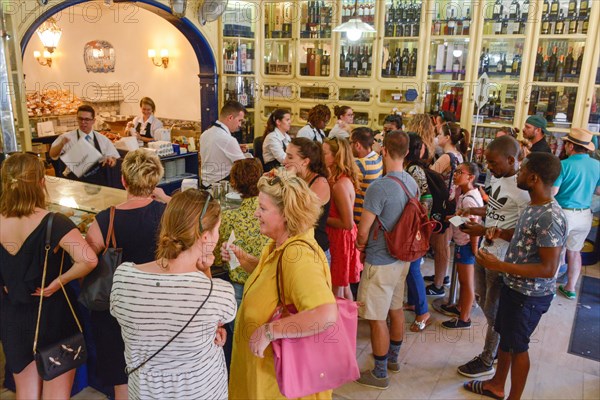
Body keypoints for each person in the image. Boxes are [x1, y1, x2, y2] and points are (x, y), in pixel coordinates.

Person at [110, 190, 236, 400]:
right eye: (217, 230)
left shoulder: (123, 277)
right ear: (205, 237)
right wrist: (205, 271)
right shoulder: (217, 292)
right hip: (200, 391)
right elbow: (216, 317)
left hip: (145, 391)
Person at [226, 170, 338, 399]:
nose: (256, 213)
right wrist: (245, 260)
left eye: (263, 209)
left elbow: (325, 314)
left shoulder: (297, 255)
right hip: (265, 379)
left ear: (287, 214)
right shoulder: (279, 244)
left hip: (278, 387)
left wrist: (269, 331)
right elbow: (274, 281)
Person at [465, 152, 567, 400]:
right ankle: (497, 384)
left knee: (518, 346)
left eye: (522, 171)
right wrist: (492, 231)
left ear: (533, 178)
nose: (518, 173)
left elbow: (548, 269)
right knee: (506, 340)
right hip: (514, 287)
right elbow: (522, 238)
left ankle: (514, 396)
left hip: (529, 295)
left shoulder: (549, 216)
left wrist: (499, 266)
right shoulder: (533, 205)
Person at [0, 153, 97, 399]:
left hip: (13, 317)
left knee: (26, 391)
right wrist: (60, 281)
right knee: (57, 392)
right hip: (53, 315)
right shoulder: (55, 223)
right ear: (41, 183)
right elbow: (88, 259)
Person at [85, 149, 167, 399]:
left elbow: (86, 259)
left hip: (116, 308)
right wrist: (166, 199)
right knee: (157, 371)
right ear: (155, 180)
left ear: (123, 180)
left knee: (121, 376)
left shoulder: (105, 219)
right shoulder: (168, 215)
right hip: (158, 305)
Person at [456, 135, 530, 378]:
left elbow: (522, 233)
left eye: (493, 163)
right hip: (487, 253)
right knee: (488, 307)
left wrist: (483, 230)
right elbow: (495, 208)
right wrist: (472, 210)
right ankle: (498, 347)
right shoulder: (499, 178)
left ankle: (489, 358)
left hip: (501, 259)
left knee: (495, 312)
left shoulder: (523, 191)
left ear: (511, 160)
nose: (489, 167)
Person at [354, 131, 418, 390]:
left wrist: (360, 246)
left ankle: (379, 373)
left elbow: (362, 230)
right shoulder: (411, 182)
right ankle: (392, 359)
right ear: (407, 153)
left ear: (384, 152)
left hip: (380, 260)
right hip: (402, 259)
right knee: (395, 309)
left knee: (376, 317)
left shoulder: (379, 186)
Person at [552, 128, 600, 300]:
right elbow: (599, 190)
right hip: (585, 215)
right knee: (574, 252)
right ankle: (570, 288)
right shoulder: (597, 165)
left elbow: (553, 192)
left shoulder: (563, 165)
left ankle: (549, 289)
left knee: (556, 252)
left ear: (571, 146)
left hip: (564, 214)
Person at [214, 158, 269, 307]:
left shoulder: (228, 216)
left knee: (238, 329)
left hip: (239, 285)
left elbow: (219, 257)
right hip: (267, 279)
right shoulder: (272, 211)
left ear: (234, 184)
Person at [426, 122, 470, 296]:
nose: (437, 137)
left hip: (443, 206)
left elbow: (429, 175)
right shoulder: (459, 155)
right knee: (445, 242)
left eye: (439, 134)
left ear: (447, 137)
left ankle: (438, 285)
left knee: (441, 244)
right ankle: (441, 275)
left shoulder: (446, 157)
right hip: (453, 203)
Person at [440, 162, 483, 330]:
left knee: (466, 283)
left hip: (466, 244)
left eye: (460, 172)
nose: (456, 175)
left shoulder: (470, 199)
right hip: (462, 242)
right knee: (463, 281)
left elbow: (474, 227)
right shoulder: (466, 195)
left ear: (470, 177)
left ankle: (464, 318)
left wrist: (473, 248)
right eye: (456, 171)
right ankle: (459, 307)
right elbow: (463, 219)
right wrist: (449, 218)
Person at [323, 137, 362, 300]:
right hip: (337, 237)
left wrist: (321, 218)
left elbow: (346, 223)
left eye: (324, 153)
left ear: (336, 156)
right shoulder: (335, 179)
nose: (321, 157)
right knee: (344, 287)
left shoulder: (339, 184)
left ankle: (340, 324)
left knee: (336, 290)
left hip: (340, 239)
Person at [283, 138, 332, 260]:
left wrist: (287, 178)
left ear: (305, 161)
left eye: (290, 157)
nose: (284, 161)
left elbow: (298, 218)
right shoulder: (298, 179)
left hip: (315, 251)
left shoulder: (320, 183)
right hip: (297, 247)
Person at [402, 133, 432, 332]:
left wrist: (419, 220)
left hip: (414, 225)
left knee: (413, 268)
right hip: (412, 222)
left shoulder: (414, 169)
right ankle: (413, 302)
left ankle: (423, 311)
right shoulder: (410, 167)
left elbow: (426, 195)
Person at [49, 105, 120, 186]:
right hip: (74, 184)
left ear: (93, 120)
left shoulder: (102, 139)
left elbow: (114, 159)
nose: (83, 122)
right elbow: (52, 155)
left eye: (87, 119)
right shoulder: (67, 137)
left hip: (97, 185)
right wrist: (61, 144)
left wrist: (111, 160)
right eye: (80, 119)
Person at [200, 100, 249, 188]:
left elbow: (215, 151)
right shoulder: (228, 140)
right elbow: (244, 167)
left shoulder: (205, 134)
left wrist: (235, 148)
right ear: (230, 118)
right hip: (221, 185)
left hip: (205, 184)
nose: (240, 125)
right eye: (239, 120)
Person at [350, 127, 383, 224]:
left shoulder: (360, 164)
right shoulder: (377, 158)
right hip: (370, 216)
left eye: (350, 143)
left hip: (358, 218)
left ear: (357, 145)